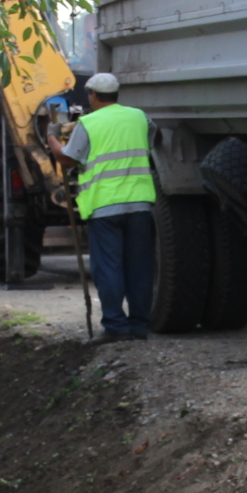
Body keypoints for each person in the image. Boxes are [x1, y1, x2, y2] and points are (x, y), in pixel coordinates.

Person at [48, 72, 155, 341]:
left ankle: (116, 327)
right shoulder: (139, 117)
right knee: (139, 268)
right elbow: (153, 139)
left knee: (109, 268)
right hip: (140, 204)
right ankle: (139, 326)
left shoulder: (89, 123)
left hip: (105, 206)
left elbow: (68, 160)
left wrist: (51, 139)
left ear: (93, 95)